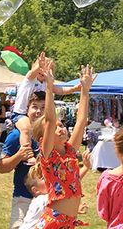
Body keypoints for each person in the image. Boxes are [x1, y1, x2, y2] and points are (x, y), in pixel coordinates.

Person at [30, 62, 94, 229]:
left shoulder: (70, 151)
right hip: (54, 222)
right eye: (57, 127)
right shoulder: (48, 155)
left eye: (62, 125)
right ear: (44, 137)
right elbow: (50, 120)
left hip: (68, 223)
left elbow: (81, 121)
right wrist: (50, 88)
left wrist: (85, 91)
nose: (61, 128)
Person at [14, 52, 80, 166]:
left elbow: (60, 90)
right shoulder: (30, 80)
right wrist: (39, 65)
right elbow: (32, 73)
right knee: (26, 129)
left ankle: (57, 151)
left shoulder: (46, 83)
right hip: (21, 113)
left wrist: (74, 89)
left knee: (51, 131)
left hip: (39, 115)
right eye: (40, 69)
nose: (42, 72)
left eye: (46, 71)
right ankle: (28, 156)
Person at [0, 91, 45, 229]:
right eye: (35, 107)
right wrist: (19, 155)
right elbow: (1, 167)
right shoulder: (16, 135)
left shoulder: (52, 134)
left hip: (49, 199)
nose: (38, 111)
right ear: (27, 109)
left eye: (43, 108)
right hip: (23, 199)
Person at [20, 150, 92, 229]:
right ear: (36, 190)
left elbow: (68, 185)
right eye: (43, 178)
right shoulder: (41, 199)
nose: (49, 179)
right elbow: (67, 185)